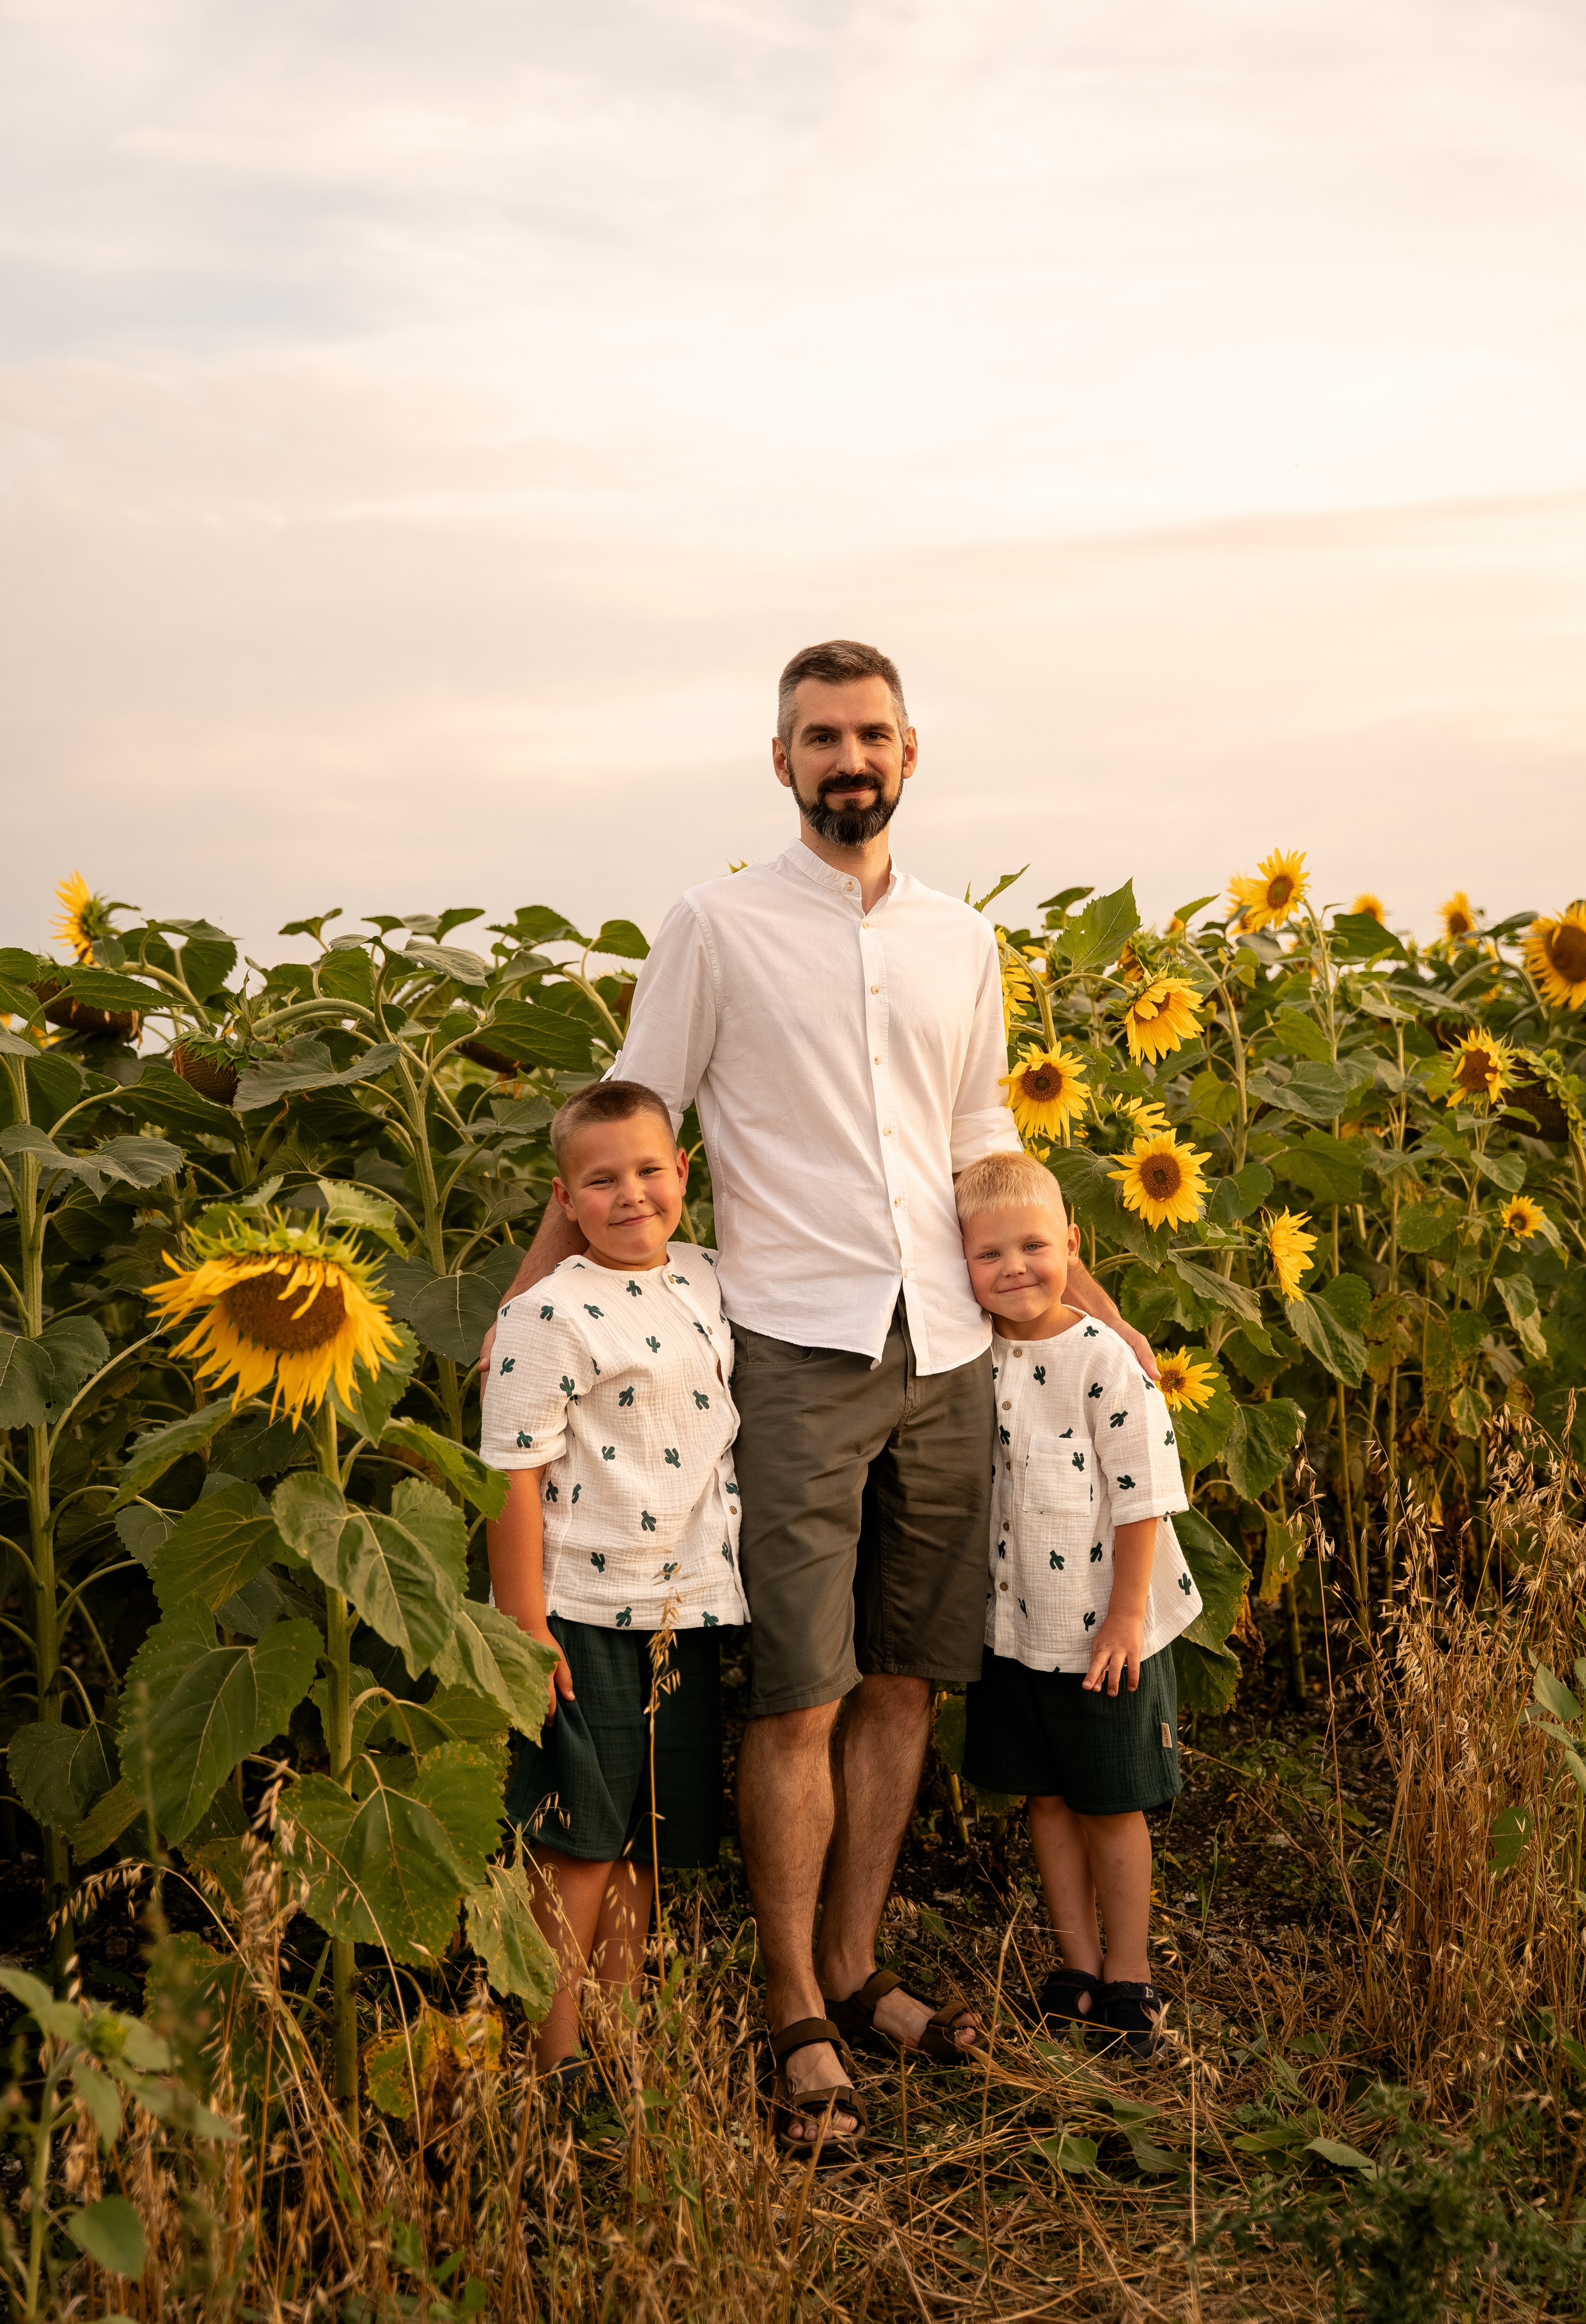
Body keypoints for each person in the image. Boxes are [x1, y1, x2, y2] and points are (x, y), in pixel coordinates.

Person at [481, 638, 1157, 2154]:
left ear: (909, 754)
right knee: (798, 1689)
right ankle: (789, 2002)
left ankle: (855, 1970)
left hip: (947, 1350)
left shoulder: (959, 942)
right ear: (777, 764)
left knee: (904, 1678)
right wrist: (528, 1299)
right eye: (816, 738)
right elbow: (629, 1119)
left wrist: (1095, 1304)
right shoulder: (713, 928)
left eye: (868, 735)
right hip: (787, 1347)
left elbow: (982, 1137)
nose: (845, 759)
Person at [478, 1078, 748, 2079]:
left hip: (689, 1600)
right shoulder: (547, 1312)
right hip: (583, 1608)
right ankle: (556, 2063)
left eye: (648, 1171)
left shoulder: (712, 1277)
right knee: (582, 1841)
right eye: (601, 1181)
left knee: (646, 1838)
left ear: (684, 1174)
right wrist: (523, 1619)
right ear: (565, 1200)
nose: (630, 1194)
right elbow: (510, 1468)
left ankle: (620, 2036)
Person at [955, 1149, 1201, 2060]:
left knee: (1112, 1803)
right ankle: (1076, 1968)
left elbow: (1143, 1497)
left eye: (1034, 1246)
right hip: (1013, 1631)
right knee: (1047, 1801)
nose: (1015, 1268)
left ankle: (1131, 1979)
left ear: (1073, 1242)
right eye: (990, 1256)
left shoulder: (1103, 1361)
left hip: (1104, 1627)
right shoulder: (970, 1358)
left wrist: (1129, 1619)